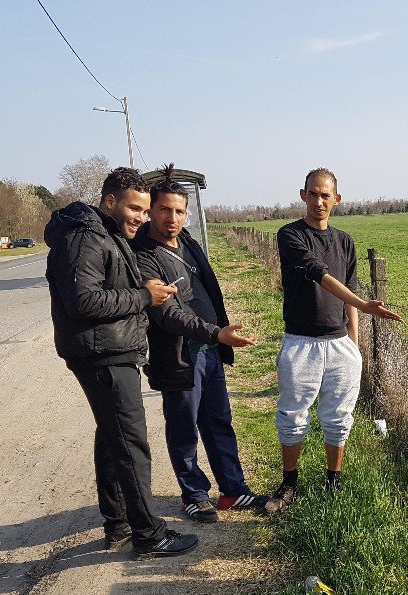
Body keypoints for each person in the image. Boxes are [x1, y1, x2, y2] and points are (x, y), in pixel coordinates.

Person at [44, 167, 198, 558]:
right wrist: (144, 297)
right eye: (134, 208)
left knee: (113, 438)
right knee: (131, 443)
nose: (141, 218)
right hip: (102, 354)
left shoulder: (103, 233)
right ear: (109, 201)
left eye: (145, 212)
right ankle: (149, 535)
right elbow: (83, 301)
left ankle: (119, 522)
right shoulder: (84, 238)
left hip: (110, 351)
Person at [133, 165, 267, 522]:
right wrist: (216, 333)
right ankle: (193, 494)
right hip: (178, 358)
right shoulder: (143, 254)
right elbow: (167, 314)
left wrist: (218, 334)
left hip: (208, 352)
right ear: (150, 210)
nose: (172, 217)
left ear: (186, 213)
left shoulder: (189, 242)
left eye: (179, 211)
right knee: (184, 428)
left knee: (219, 421)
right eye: (164, 209)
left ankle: (233, 491)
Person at [266, 167, 402, 512]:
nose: (318, 201)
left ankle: (333, 481)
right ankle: (288, 484)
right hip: (301, 342)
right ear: (302, 195)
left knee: (339, 418)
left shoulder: (344, 241)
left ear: (336, 200)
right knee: (293, 415)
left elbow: (349, 292)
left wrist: (354, 345)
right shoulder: (289, 235)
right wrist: (363, 305)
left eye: (325, 195)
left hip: (340, 344)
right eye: (312, 194)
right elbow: (318, 273)